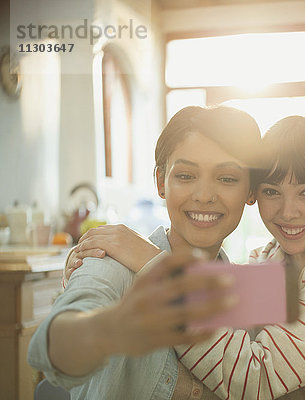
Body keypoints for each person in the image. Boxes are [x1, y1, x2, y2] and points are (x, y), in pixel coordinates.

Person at [66, 116, 305, 399]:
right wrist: (101, 264)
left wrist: (151, 263)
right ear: (253, 193)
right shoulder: (272, 261)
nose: (288, 212)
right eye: (271, 191)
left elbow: (255, 378)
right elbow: (211, 325)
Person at [28, 105, 265, 399]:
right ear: (161, 182)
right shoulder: (111, 262)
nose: (204, 195)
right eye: (187, 176)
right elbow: (64, 337)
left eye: (227, 178)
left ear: (251, 191)